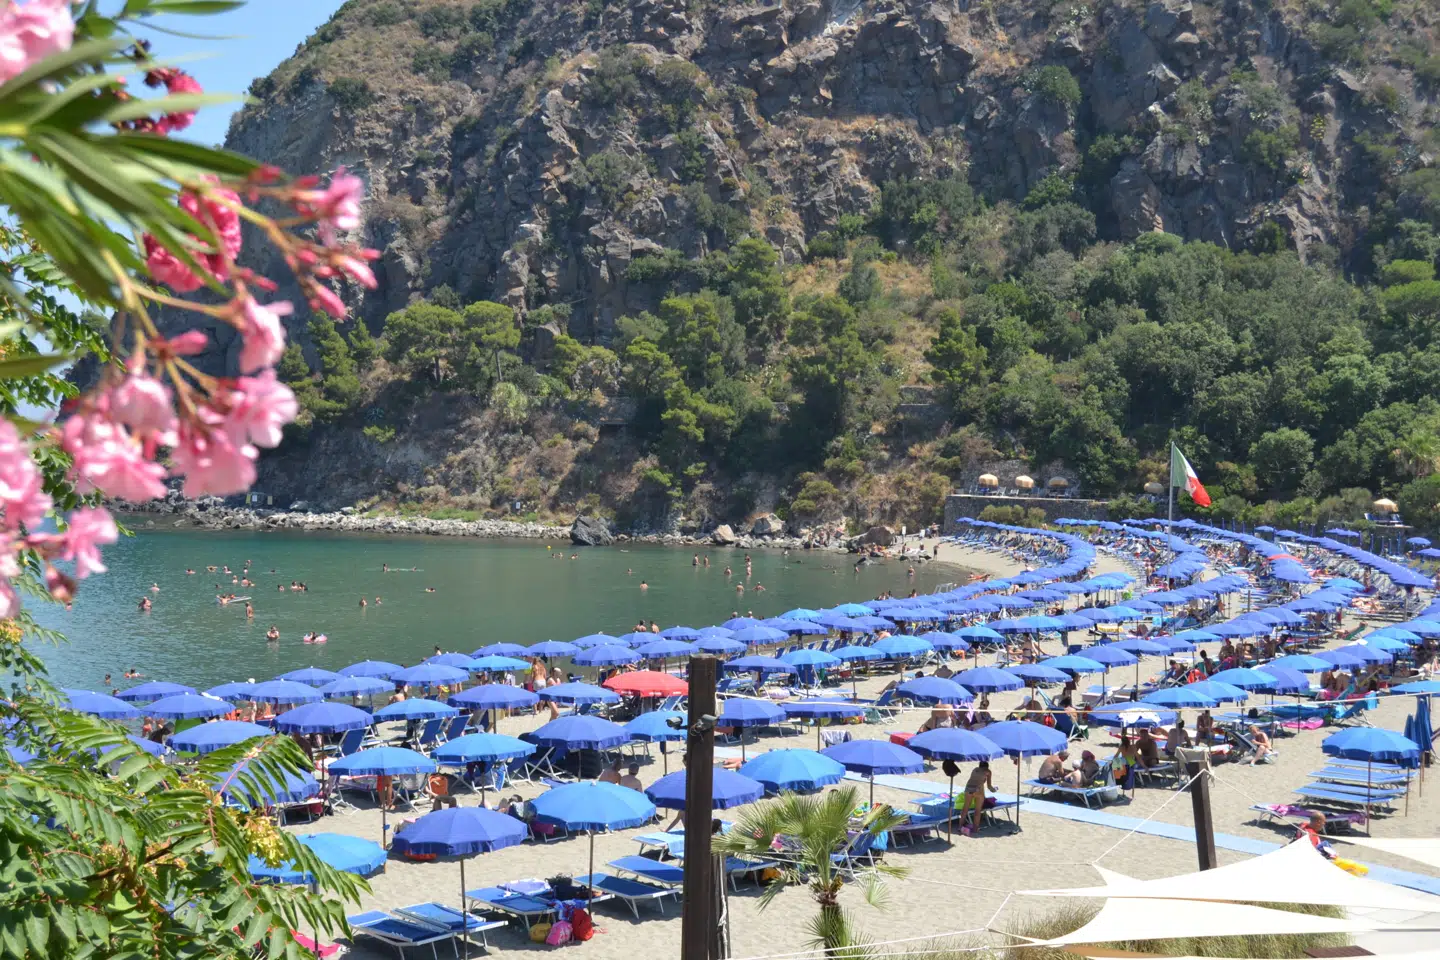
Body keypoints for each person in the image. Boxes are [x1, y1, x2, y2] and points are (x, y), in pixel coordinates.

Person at [959, 760, 992, 834]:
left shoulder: (975, 769)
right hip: (978, 790)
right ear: (987, 767)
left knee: (965, 809)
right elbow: (989, 786)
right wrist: (993, 789)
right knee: (977, 810)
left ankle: (960, 827)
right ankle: (975, 829)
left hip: (968, 789)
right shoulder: (988, 771)